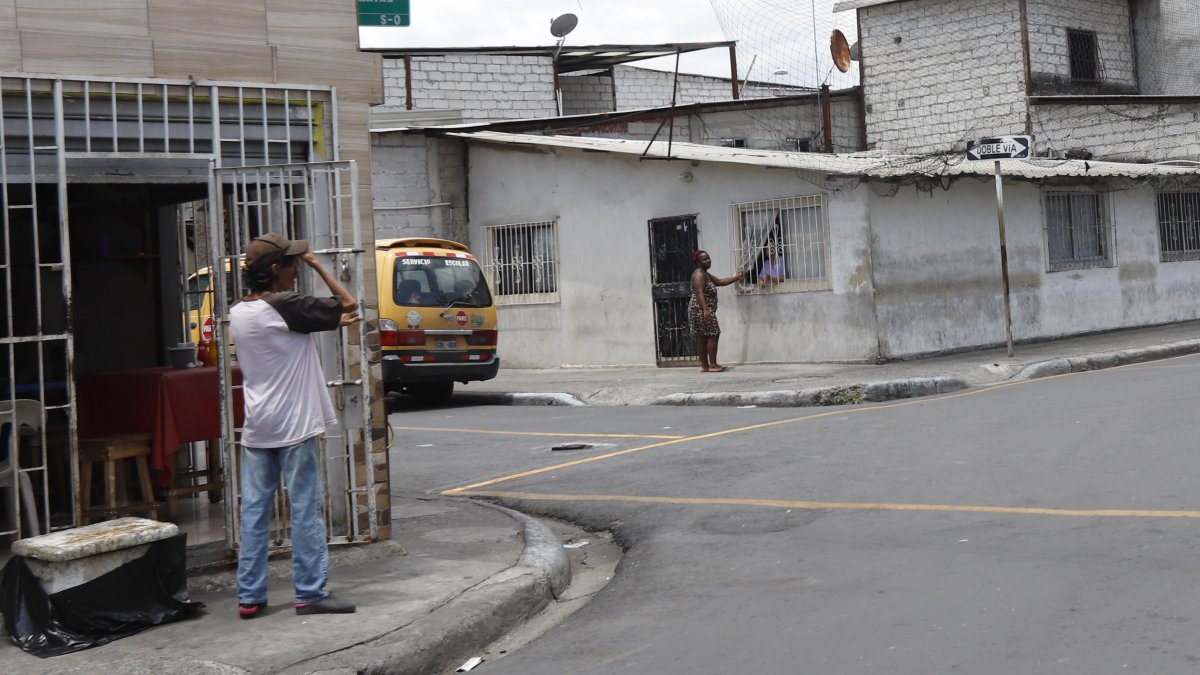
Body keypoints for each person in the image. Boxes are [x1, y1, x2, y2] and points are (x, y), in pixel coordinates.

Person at [229, 232, 361, 619]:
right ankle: (310, 592)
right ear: (276, 269)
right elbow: (348, 303)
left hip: (258, 426)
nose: (296, 270)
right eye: (292, 264)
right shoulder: (286, 304)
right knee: (304, 508)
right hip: (294, 425)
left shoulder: (240, 311)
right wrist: (318, 264)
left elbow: (288, 335)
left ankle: (250, 597)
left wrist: (332, 322)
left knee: (255, 512)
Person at [688, 250, 743, 372]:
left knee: (703, 336)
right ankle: (712, 365)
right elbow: (699, 292)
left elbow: (719, 282)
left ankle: (705, 366)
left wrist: (737, 278)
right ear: (698, 262)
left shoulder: (705, 274)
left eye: (708, 258)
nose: (708, 261)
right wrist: (706, 310)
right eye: (705, 259)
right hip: (701, 309)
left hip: (700, 309)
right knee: (713, 334)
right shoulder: (699, 274)